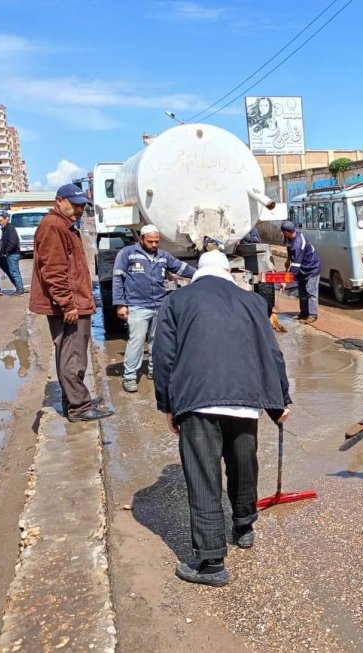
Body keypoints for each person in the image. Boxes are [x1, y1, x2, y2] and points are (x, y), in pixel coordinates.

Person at [152, 250, 292, 588]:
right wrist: (279, 402)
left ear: (196, 272)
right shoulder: (252, 302)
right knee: (244, 463)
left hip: (197, 402)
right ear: (228, 271)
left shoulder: (176, 301)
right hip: (245, 401)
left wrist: (167, 404)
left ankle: (211, 563)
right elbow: (270, 351)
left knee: (204, 476)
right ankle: (244, 527)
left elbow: (163, 356)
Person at [30, 184, 113, 423]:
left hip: (74, 302)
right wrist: (68, 304)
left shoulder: (63, 225)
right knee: (72, 357)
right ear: (59, 201)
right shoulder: (54, 226)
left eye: (81, 205)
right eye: (74, 204)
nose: (79, 209)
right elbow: (54, 271)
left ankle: (74, 399)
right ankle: (79, 407)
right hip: (68, 305)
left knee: (70, 354)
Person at [112, 225, 195, 393]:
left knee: (157, 341)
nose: (154, 244)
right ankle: (129, 377)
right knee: (136, 341)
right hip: (137, 306)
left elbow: (182, 268)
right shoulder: (127, 254)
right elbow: (117, 279)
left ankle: (154, 371)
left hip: (159, 304)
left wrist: (205, 273)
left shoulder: (163, 256)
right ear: (141, 239)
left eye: (157, 241)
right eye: (150, 241)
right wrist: (120, 303)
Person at [280, 220, 320, 324]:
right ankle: (304, 312)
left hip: (311, 268)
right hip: (302, 269)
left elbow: (296, 266)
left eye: (283, 232)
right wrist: (288, 259)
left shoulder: (298, 243)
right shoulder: (291, 237)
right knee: (302, 291)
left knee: (311, 292)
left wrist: (285, 281)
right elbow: (289, 249)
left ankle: (312, 315)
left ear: (286, 232)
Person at [0, 212, 27, 295]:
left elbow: (13, 242)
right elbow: (5, 242)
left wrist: (6, 252)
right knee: (15, 272)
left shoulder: (10, 228)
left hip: (13, 254)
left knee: (14, 272)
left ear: (6, 219)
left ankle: (20, 290)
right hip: (11, 253)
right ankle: (20, 288)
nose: (0, 222)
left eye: (1, 220)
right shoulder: (4, 229)